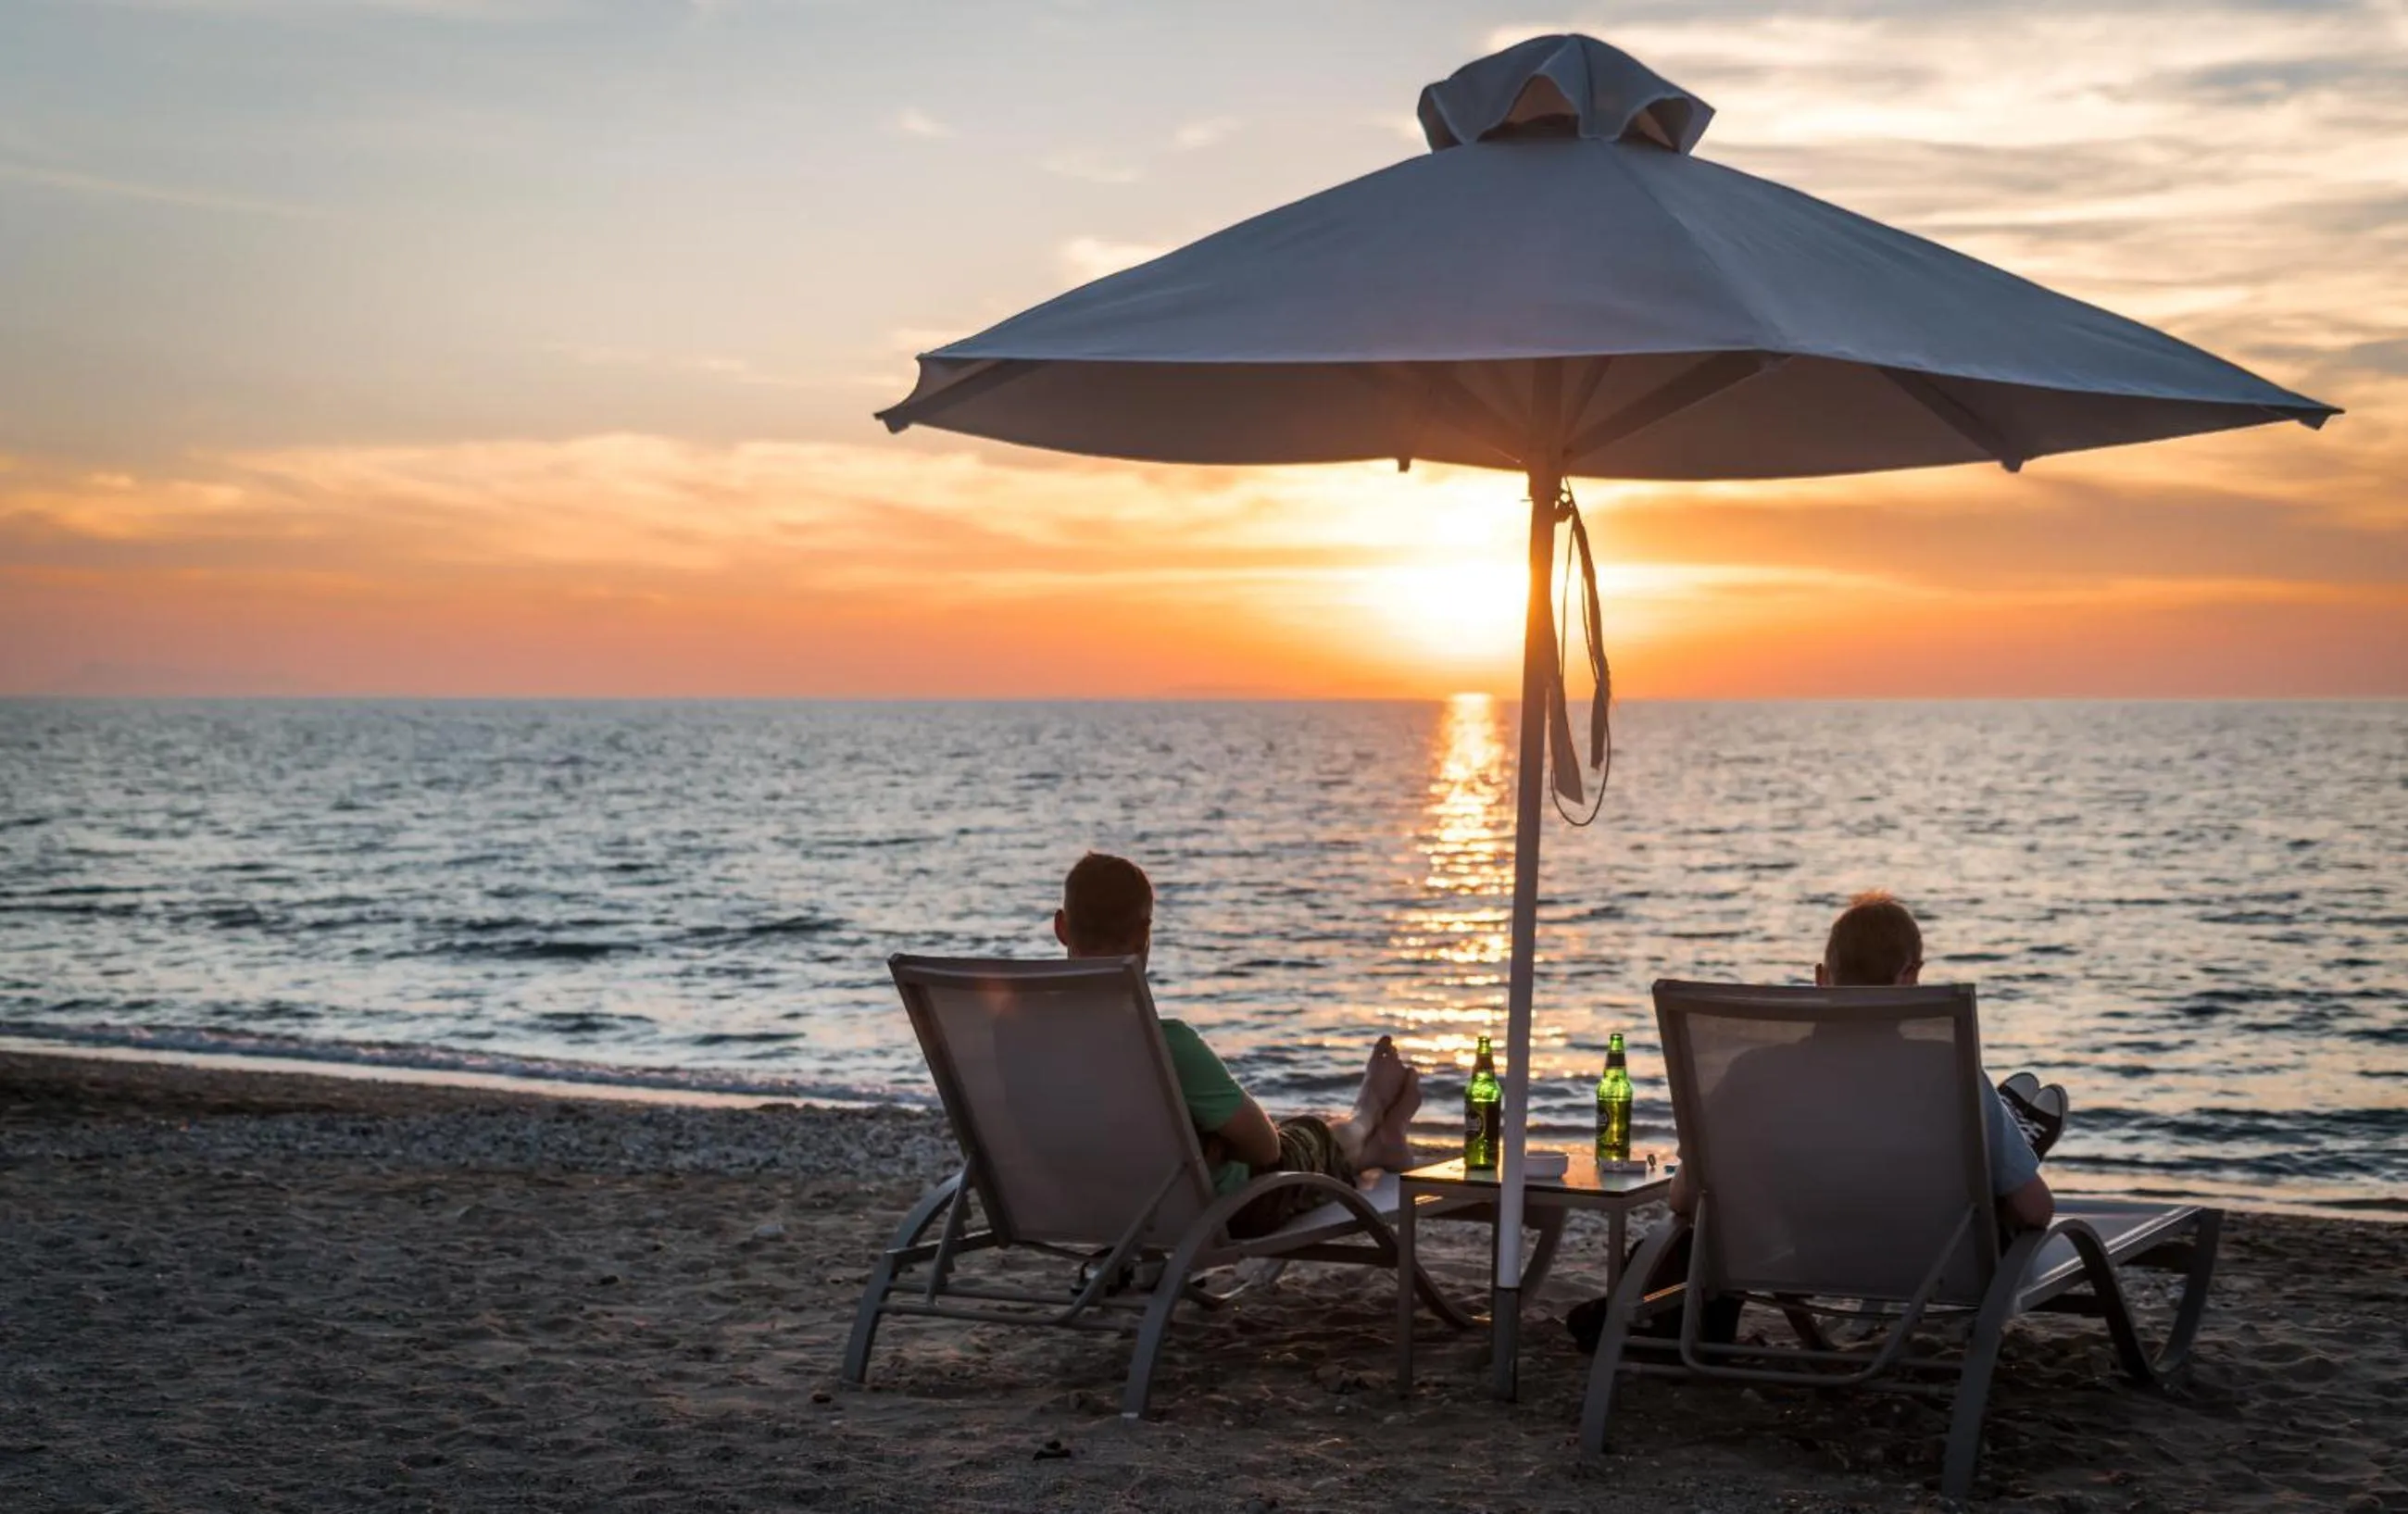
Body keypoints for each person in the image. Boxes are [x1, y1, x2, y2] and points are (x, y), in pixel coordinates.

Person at [1574, 891, 2065, 1354]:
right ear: (1910, 978)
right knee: (1998, 1186)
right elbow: (2034, 1210)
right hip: (1929, 1260)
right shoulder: (1947, 1071)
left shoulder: (1754, 1073)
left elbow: (1683, 1198)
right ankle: (2014, 1133)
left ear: (1820, 977)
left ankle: (2011, 1132)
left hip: (1796, 1253)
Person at [1054, 851, 1422, 1237]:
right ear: (1144, 932)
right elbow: (1266, 1150)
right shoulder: (1167, 1045)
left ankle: (1376, 1142)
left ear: (1061, 927)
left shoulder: (1016, 1040)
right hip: (1223, 1209)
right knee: (1303, 1136)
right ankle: (1368, 1115)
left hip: (1083, 1205)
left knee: (1264, 1131)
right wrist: (1218, 1148)